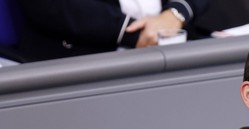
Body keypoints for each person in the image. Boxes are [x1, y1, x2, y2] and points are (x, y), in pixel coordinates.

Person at [17, 0, 208, 61]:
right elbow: (50, 7)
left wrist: (176, 13)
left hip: (178, 45)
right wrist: (131, 32)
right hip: (81, 61)